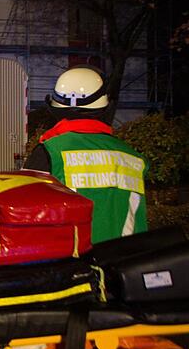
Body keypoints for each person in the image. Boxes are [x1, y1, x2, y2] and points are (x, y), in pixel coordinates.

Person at [24, 66, 148, 243]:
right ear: (104, 107)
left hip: (72, 263)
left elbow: (26, 213)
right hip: (125, 261)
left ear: (55, 108)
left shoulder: (48, 152)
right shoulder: (133, 158)